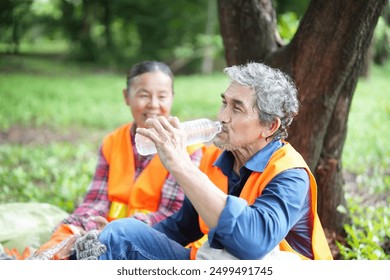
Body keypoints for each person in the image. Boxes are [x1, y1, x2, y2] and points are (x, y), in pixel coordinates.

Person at [77, 61, 333, 260]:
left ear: (269, 126)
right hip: (216, 264)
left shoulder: (290, 174)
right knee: (120, 235)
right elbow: (182, 227)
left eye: (236, 108)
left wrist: (181, 166)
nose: (222, 116)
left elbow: (254, 243)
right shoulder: (220, 164)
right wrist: (112, 236)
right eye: (224, 103)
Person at [34, 61, 204, 260]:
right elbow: (96, 200)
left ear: (172, 98)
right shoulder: (113, 141)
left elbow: (174, 217)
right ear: (126, 97)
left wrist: (116, 231)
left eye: (162, 96)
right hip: (106, 229)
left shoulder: (188, 149)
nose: (154, 104)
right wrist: (80, 227)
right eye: (144, 95)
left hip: (153, 240)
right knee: (65, 235)